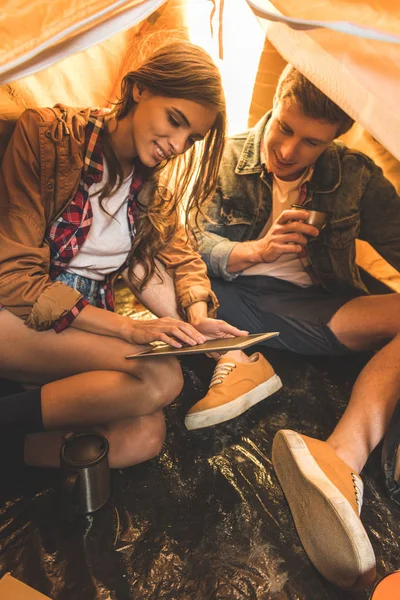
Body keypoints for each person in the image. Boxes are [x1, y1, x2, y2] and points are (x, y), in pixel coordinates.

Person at [190, 64, 400, 590]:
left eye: (310, 142)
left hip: (315, 302)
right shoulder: (222, 154)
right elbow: (184, 240)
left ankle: (340, 455)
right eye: (283, 128)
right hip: (236, 296)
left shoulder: (353, 175)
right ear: (277, 101)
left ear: (334, 140)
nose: (287, 151)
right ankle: (240, 360)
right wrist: (249, 251)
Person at [0, 40, 249, 471]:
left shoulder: (150, 189)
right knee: (161, 376)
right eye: (175, 121)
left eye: (191, 138)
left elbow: (181, 258)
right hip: (17, 314)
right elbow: (16, 279)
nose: (176, 143)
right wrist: (127, 330)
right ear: (139, 90)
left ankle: (9, 455)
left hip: (80, 329)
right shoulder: (47, 135)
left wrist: (196, 314)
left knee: (146, 435)